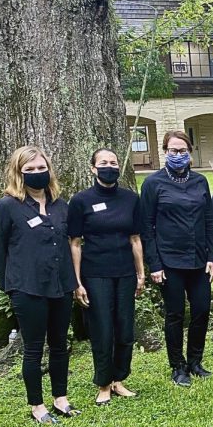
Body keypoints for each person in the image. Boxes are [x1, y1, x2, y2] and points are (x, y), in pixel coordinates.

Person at [0, 146, 79, 424]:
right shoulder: (7, 207)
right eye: (30, 170)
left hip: (61, 285)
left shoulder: (61, 205)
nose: (37, 174)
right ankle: (37, 406)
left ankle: (60, 398)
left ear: (49, 171)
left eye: (42, 168)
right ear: (19, 173)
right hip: (27, 288)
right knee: (33, 348)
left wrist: (73, 282)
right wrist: (11, 287)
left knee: (60, 345)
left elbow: (69, 244)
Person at [140, 130, 213, 387]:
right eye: (173, 150)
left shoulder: (199, 181)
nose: (178, 155)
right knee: (174, 314)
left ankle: (195, 361)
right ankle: (177, 366)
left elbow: (209, 220)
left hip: (199, 260)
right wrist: (155, 264)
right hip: (169, 262)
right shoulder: (153, 184)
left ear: (189, 152)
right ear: (165, 152)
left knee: (202, 310)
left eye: (183, 151)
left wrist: (212, 257)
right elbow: (147, 227)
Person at [67, 148, 143, 406]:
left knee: (124, 329)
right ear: (92, 168)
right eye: (103, 163)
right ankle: (103, 383)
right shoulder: (80, 201)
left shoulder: (131, 199)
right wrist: (77, 282)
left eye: (113, 162)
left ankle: (119, 380)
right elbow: (75, 243)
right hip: (95, 274)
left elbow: (135, 239)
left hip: (125, 273)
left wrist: (141, 273)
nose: (108, 166)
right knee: (102, 330)